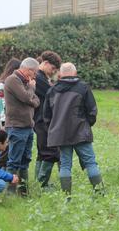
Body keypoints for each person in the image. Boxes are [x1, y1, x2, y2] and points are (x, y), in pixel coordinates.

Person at [43, 62, 104, 196]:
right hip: (81, 132)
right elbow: (92, 111)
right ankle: (100, 193)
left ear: (60, 74)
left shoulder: (52, 90)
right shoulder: (83, 88)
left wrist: (54, 129)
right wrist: (86, 125)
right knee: (90, 163)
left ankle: (66, 195)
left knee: (65, 165)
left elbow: (46, 116)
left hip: (60, 133)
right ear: (75, 73)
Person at [4, 57, 40, 195]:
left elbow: (36, 101)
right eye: (34, 73)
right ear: (27, 70)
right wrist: (31, 88)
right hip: (17, 127)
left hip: (28, 127)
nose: (35, 76)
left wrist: (30, 95)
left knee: (25, 160)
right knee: (14, 161)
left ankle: (23, 192)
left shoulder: (24, 82)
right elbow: (27, 98)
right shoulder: (13, 80)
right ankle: (10, 192)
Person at [33, 51, 61, 188]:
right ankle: (42, 185)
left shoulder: (41, 77)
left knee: (42, 152)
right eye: (53, 69)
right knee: (49, 152)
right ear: (45, 63)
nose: (53, 72)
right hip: (41, 121)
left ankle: (38, 182)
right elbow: (53, 95)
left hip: (40, 120)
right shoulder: (39, 78)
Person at [0, 58, 21, 169]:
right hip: (5, 120)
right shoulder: (3, 85)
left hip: (9, 119)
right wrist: (2, 123)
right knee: (6, 149)